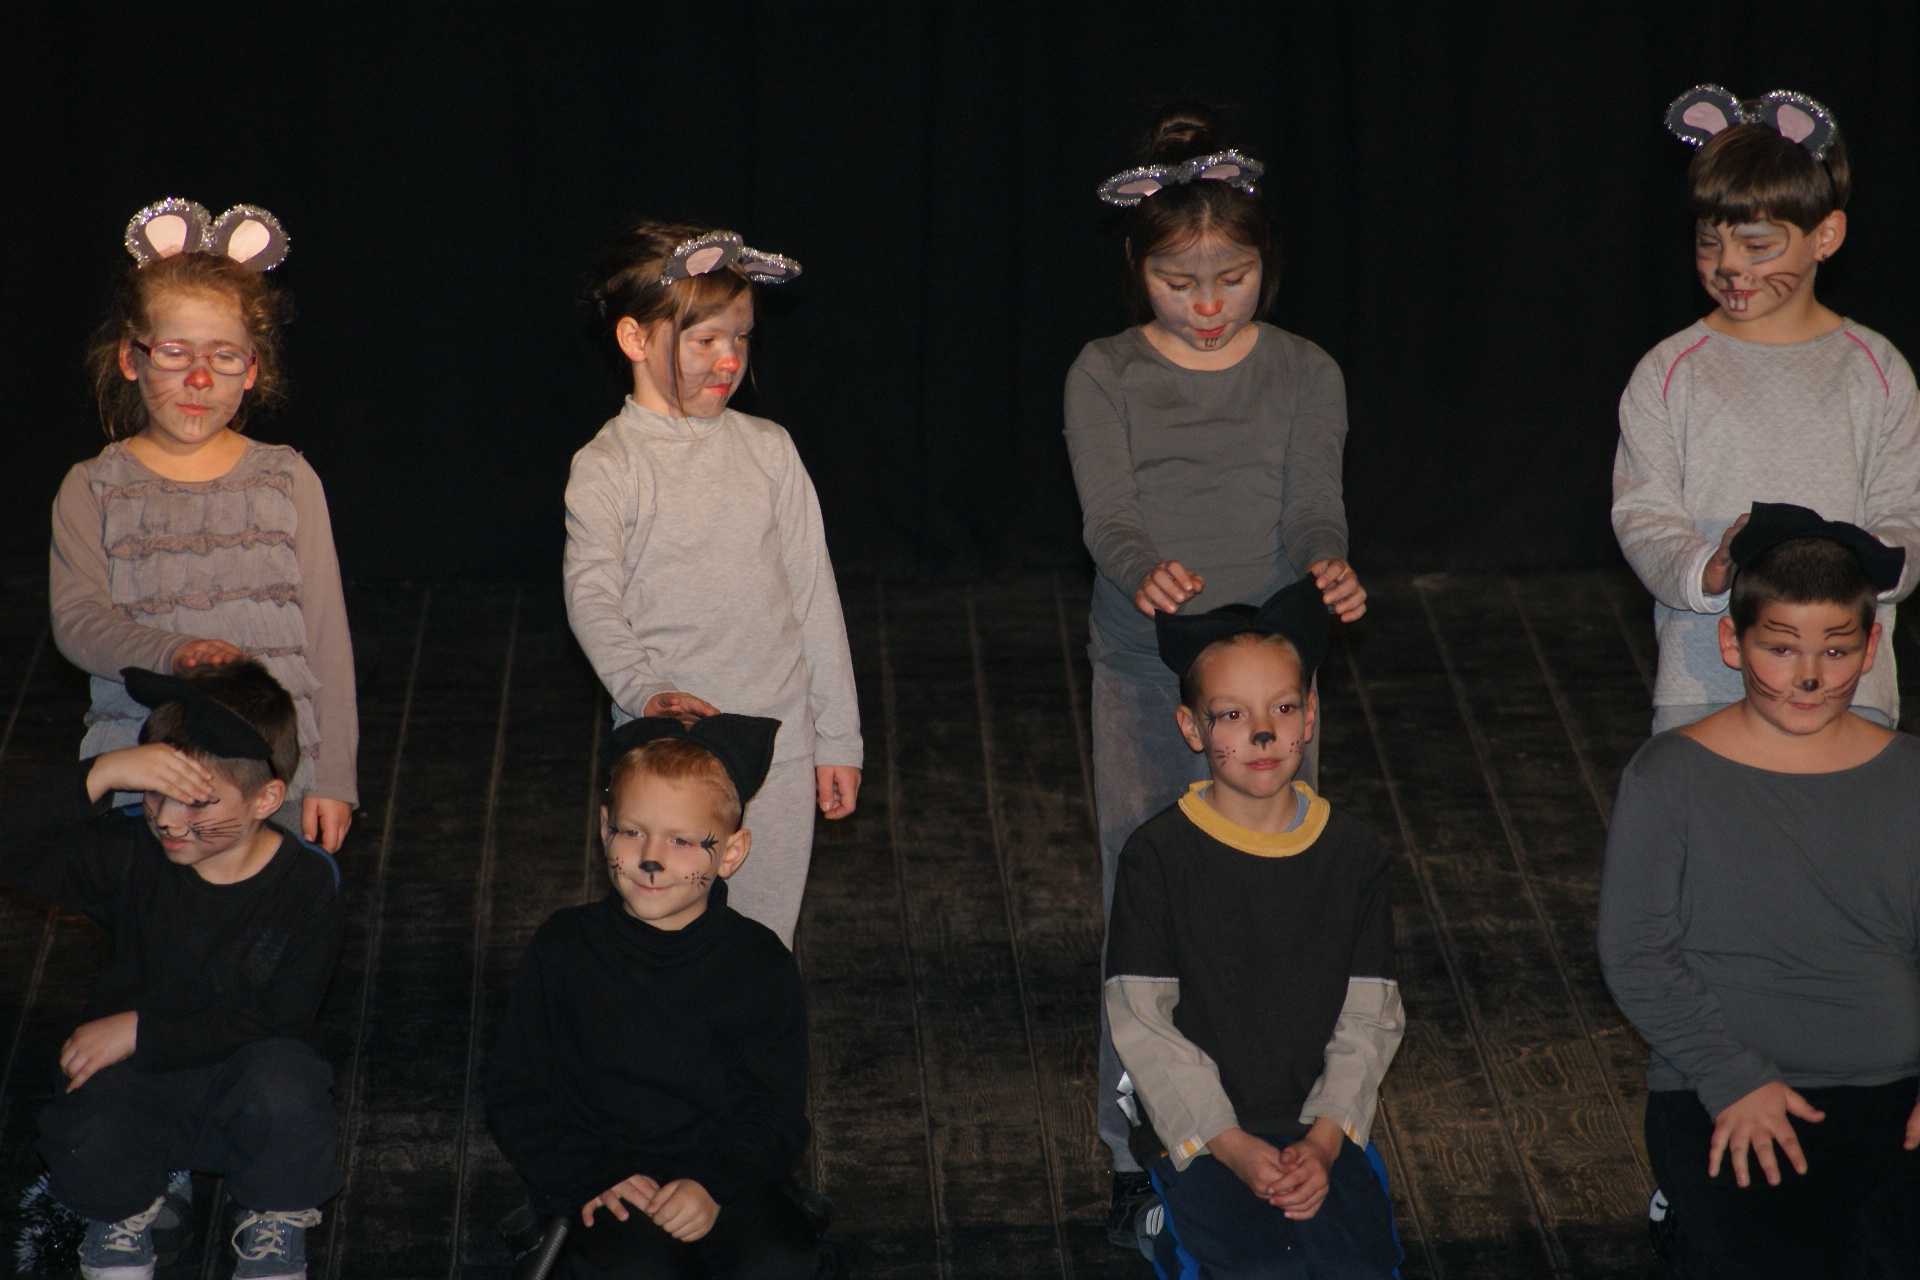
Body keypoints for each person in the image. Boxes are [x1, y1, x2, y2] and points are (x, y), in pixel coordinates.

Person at [1064, 101, 1369, 1242]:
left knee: (1279, 897)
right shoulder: (1104, 372)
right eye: (1176, 281)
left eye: (1231, 279)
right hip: (1151, 673)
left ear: (1264, 268)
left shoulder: (1304, 370)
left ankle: (1283, 1122)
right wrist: (1141, 569)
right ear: (1136, 269)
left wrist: (1329, 564)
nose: (1205, 304)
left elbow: (1313, 504)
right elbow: (1108, 513)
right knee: (1146, 901)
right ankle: (1137, 1145)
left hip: (1273, 668)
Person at [1599, 503, 1920, 1276]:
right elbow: (1635, 951)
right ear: (1731, 643)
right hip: (1723, 1090)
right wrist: (1733, 1078)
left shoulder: (1908, 774)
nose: (1809, 676)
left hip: (1896, 1093)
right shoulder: (1669, 775)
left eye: (1836, 650)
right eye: (1781, 648)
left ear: (1872, 647)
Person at [564, 222, 860, 947]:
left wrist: (838, 738)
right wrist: (644, 691)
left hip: (779, 752)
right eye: (704, 341)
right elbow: (591, 597)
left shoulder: (769, 451)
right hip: (666, 756)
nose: (730, 359)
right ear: (635, 339)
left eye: (742, 338)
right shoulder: (608, 466)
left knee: (762, 945)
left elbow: (814, 601)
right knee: (664, 942)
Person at [1, 661, 345, 1280]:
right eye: (154, 792)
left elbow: (281, 1015)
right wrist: (103, 772)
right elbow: (12, 847)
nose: (166, 819)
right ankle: (125, 1210)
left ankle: (274, 1212)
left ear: (267, 799)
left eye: (196, 803)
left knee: (289, 1091)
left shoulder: (306, 884)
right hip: (146, 1079)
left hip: (243, 1067)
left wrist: (142, 1029)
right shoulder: (131, 851)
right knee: (87, 1113)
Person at [1105, 578, 1403, 1279]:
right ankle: (1164, 1220)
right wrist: (1229, 1143)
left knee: (1358, 1267)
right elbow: (1144, 1024)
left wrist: (1325, 1141)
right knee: (1254, 1266)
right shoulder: (1158, 856)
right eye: (1233, 714)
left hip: (1317, 1121)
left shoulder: (1353, 852)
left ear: (1310, 717)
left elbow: (1370, 1016)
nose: (1263, 732)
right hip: (1202, 1129)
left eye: (1283, 707)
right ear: (1192, 729)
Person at [50, 198, 358, 853]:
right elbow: (77, 624)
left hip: (271, 781)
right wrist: (174, 653)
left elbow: (328, 639)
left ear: (252, 370)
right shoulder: (93, 488)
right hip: (148, 780)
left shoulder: (288, 478)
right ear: (131, 358)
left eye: (223, 357)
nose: (198, 377)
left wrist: (335, 776)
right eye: (174, 352)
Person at [1613, 87, 1920, 734]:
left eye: (1757, 246)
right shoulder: (1669, 371)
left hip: (1847, 688)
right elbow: (1643, 515)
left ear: (1825, 235)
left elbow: (1906, 513)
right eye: (1708, 242)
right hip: (1705, 684)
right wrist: (1711, 567)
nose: (1728, 266)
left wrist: (1860, 573)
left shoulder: (1877, 370)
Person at [487, 713, 827, 1280]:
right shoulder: (565, 947)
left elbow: (776, 1108)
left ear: (731, 853)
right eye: (631, 832)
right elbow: (517, 1091)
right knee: (634, 1268)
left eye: (682, 841)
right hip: (606, 1180)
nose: (651, 857)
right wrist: (590, 1175)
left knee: (778, 1263)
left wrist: (714, 1184)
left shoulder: (758, 960)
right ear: (604, 829)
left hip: (725, 1174)